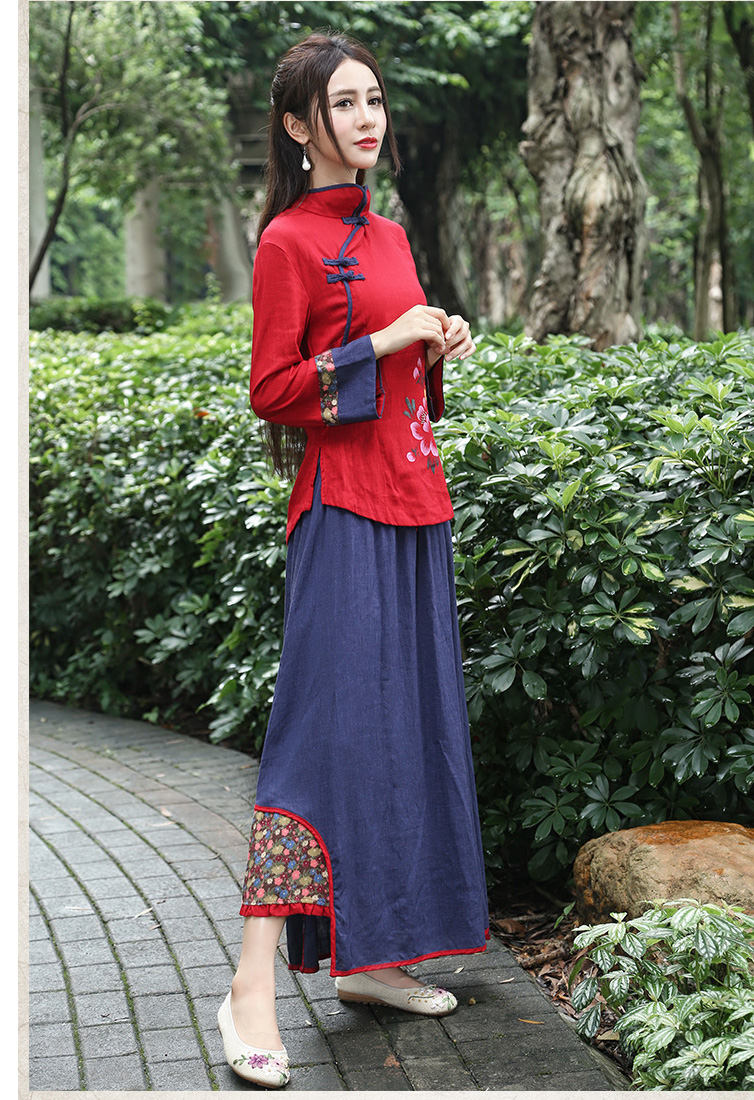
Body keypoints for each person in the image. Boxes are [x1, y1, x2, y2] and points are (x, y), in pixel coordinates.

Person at [217, 31, 489, 1089]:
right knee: (314, 743)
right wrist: (380, 343)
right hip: (339, 513)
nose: (366, 117)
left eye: (373, 98)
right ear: (299, 125)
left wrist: (435, 339)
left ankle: (370, 959)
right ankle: (249, 985)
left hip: (416, 502)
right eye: (343, 102)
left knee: (403, 733)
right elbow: (273, 389)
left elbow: (403, 372)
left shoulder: (393, 234)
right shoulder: (285, 241)